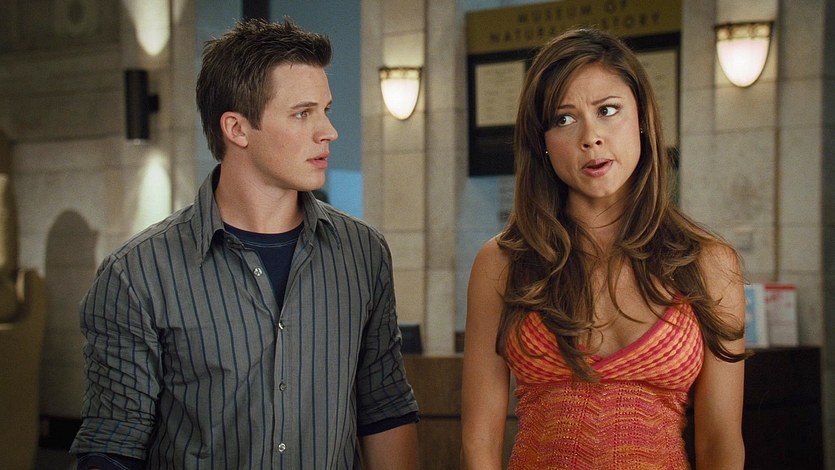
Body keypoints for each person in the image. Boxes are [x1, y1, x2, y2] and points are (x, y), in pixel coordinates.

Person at [71, 18, 419, 470]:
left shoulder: (362, 252)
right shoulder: (136, 274)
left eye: (326, 110)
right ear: (237, 129)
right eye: (303, 113)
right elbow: (114, 445)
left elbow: (384, 408)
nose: (328, 131)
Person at [461, 28, 749, 470]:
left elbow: (721, 442)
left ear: (641, 118)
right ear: (542, 142)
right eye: (564, 119)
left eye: (607, 110)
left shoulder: (708, 264)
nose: (590, 137)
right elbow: (479, 444)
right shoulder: (502, 263)